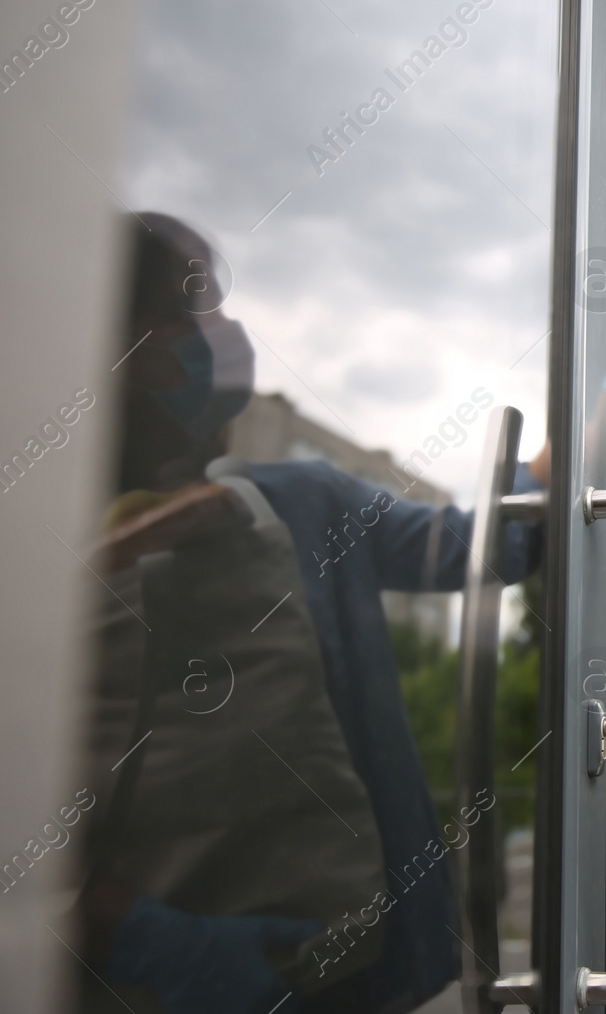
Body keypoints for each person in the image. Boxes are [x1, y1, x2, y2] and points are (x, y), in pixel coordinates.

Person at [80, 212, 548, 1013]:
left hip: (352, 973)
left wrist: (588, 395)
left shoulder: (305, 502)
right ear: (125, 345)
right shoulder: (36, 565)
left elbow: (484, 547)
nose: (221, 335)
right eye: (192, 314)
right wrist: (149, 939)